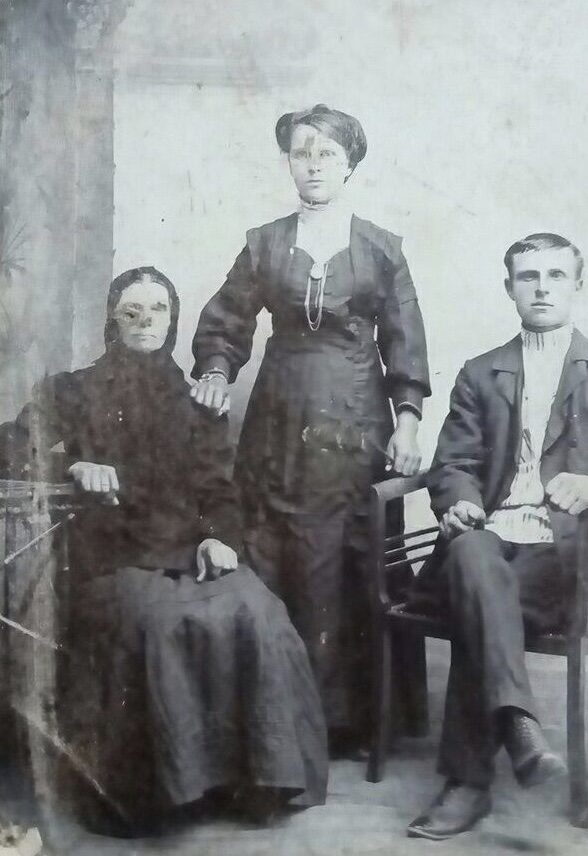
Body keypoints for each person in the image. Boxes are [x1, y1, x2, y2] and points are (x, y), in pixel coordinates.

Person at [0, 267, 328, 835]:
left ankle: (248, 782)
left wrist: (219, 538)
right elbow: (4, 448)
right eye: (132, 311)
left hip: (188, 549)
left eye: (158, 310)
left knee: (258, 611)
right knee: (158, 624)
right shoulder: (72, 390)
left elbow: (219, 491)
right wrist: (72, 465)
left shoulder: (196, 400)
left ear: (173, 320)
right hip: (109, 558)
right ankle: (170, 793)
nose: (145, 321)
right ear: (112, 319)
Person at [407, 234, 588, 840]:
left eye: (556, 275)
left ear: (577, 285)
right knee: (473, 556)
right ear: (510, 289)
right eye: (528, 277)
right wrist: (461, 502)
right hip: (486, 540)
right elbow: (453, 464)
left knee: (481, 597)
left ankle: (468, 781)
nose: (542, 288)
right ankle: (519, 726)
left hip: (565, 561)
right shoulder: (481, 371)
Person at [191, 104, 431, 749]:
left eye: (328, 154)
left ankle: (344, 721)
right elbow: (226, 321)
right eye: (303, 154)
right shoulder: (264, 243)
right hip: (278, 416)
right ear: (289, 164)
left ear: (350, 164)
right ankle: (273, 717)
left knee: (342, 553)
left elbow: (405, 343)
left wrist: (408, 424)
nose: (314, 166)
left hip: (355, 420)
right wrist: (215, 370)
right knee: (272, 546)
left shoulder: (381, 247)